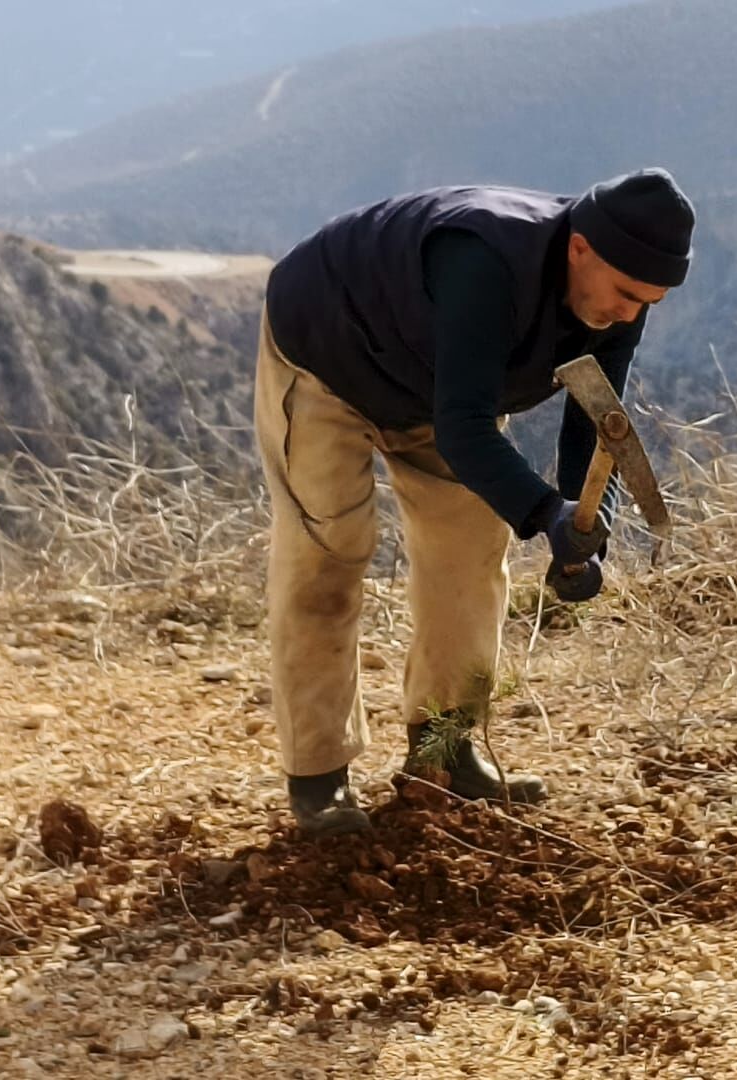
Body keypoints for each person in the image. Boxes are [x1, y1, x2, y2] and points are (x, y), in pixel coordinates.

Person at [253, 168, 696, 836]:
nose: (632, 313)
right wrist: (543, 512)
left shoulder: (620, 293)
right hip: (327, 360)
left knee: (469, 550)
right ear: (579, 248)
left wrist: (578, 526)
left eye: (650, 302)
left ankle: (446, 755)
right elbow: (462, 430)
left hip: (438, 383)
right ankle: (320, 780)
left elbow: (593, 410)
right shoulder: (485, 262)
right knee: (328, 560)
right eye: (627, 294)